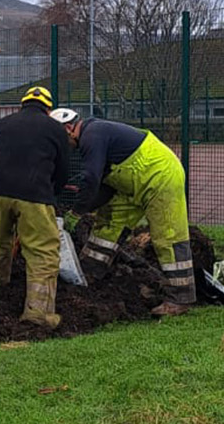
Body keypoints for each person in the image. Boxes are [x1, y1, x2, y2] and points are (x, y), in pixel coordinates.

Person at [49, 108, 195, 317]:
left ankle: (180, 299)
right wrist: (86, 209)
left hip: (160, 177)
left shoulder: (92, 135)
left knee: (169, 237)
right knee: (107, 224)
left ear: (69, 128)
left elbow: (91, 179)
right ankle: (88, 275)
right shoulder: (95, 136)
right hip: (130, 184)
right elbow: (104, 187)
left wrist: (77, 212)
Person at [0, 86, 71, 329]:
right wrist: (53, 194)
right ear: (48, 108)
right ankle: (38, 315)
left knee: (0, 238)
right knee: (43, 251)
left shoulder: (4, 123)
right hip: (35, 195)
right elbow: (63, 168)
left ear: (23, 104)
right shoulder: (55, 128)